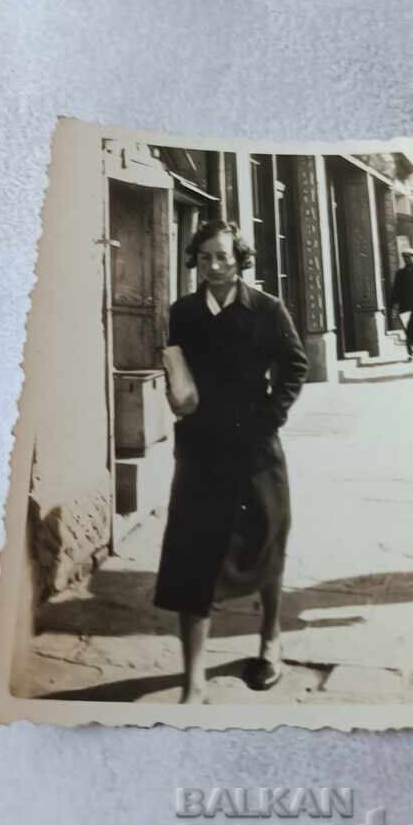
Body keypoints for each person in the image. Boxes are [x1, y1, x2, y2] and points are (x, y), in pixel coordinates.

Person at [154, 219, 309, 703]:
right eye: (204, 258)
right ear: (195, 262)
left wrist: (270, 416)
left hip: (255, 445)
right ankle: (193, 680)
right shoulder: (183, 312)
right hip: (201, 447)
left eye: (223, 256)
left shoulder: (265, 308)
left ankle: (270, 639)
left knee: (266, 539)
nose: (215, 266)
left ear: (240, 258)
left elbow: (296, 363)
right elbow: (176, 364)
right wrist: (176, 394)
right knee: (191, 553)